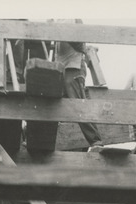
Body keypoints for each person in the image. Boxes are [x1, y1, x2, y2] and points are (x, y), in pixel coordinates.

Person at [54, 19, 104, 150]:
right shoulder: (60, 18)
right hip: (61, 68)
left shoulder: (73, 18)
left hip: (73, 68)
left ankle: (95, 140)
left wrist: (86, 50)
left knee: (78, 105)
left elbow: (77, 39)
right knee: (55, 104)